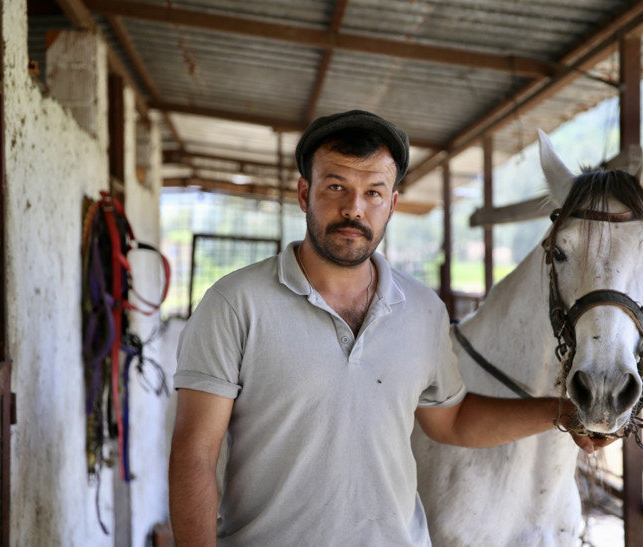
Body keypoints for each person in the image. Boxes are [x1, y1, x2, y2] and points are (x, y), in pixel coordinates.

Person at [168, 109, 612, 546]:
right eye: (336, 186)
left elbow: (451, 421)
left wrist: (563, 412)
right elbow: (195, 455)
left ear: (392, 204)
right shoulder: (234, 304)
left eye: (374, 192)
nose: (353, 209)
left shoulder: (423, 310)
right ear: (305, 194)